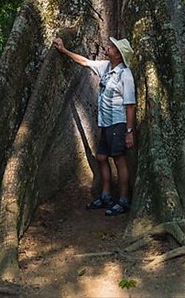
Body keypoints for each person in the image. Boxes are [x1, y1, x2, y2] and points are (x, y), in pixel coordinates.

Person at [53, 36, 136, 216]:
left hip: (118, 123)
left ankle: (123, 199)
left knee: (119, 160)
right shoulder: (106, 67)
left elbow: (130, 105)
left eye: (113, 47)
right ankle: (106, 196)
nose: (109, 47)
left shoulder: (125, 75)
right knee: (101, 157)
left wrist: (129, 132)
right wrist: (64, 50)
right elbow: (85, 62)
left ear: (119, 56)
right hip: (105, 123)